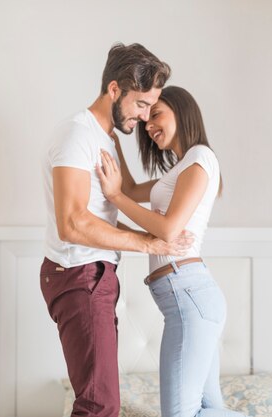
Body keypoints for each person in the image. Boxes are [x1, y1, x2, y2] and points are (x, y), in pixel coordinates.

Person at [40, 44, 193, 417]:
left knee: (100, 401)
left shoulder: (105, 139)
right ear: (114, 90)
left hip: (94, 275)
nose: (143, 117)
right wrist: (149, 242)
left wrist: (185, 176)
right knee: (99, 405)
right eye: (141, 104)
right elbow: (73, 223)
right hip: (80, 275)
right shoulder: (77, 135)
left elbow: (111, 207)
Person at [97, 86, 245, 417]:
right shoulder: (179, 169)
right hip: (189, 298)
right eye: (146, 120)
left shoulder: (201, 158)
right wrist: (113, 135)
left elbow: (167, 230)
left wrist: (115, 198)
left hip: (189, 296)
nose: (149, 126)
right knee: (209, 407)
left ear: (182, 112)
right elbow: (133, 190)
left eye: (156, 114)